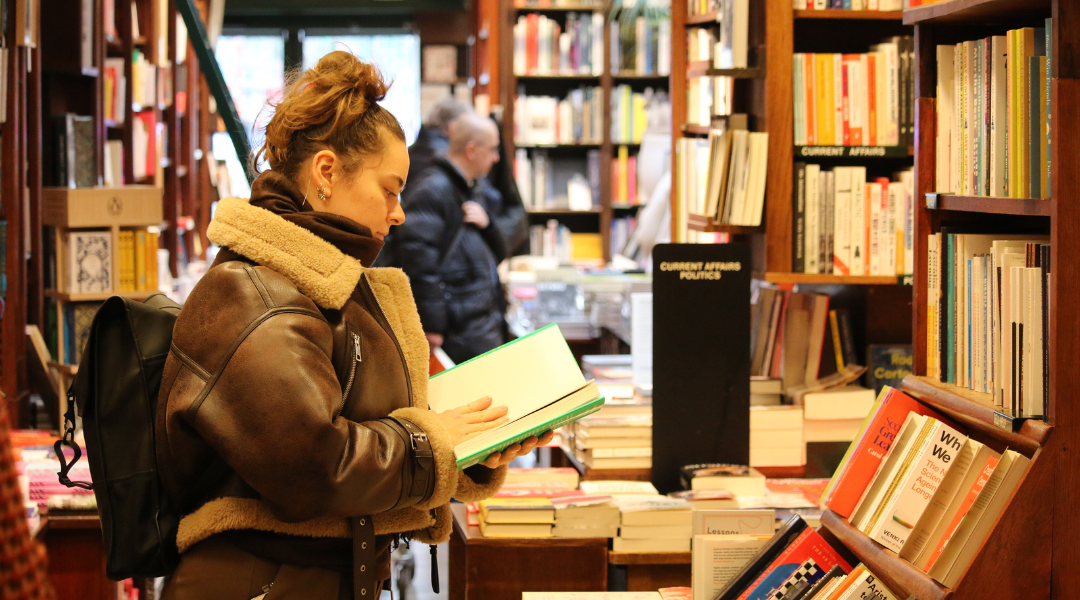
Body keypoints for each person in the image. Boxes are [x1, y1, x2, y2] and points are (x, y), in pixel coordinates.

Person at [156, 51, 551, 600]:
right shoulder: (254, 292)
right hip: (262, 585)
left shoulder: (324, 283)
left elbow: (369, 428)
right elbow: (316, 467)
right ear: (326, 172)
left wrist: (469, 448)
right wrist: (433, 442)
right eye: (389, 190)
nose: (399, 212)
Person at [382, 113, 508, 364]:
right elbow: (418, 263)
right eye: (493, 149)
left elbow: (498, 254)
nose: (496, 157)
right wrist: (433, 325)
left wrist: (490, 226)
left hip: (476, 324)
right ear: (472, 150)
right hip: (457, 332)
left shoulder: (470, 188)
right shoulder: (433, 190)